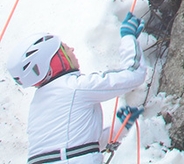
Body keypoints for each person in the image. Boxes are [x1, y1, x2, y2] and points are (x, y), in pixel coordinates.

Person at [7, 11, 148, 163]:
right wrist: (128, 37)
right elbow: (134, 74)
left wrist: (119, 127)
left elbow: (74, 145)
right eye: (65, 48)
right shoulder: (75, 88)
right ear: (55, 59)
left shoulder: (38, 105)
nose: (72, 49)